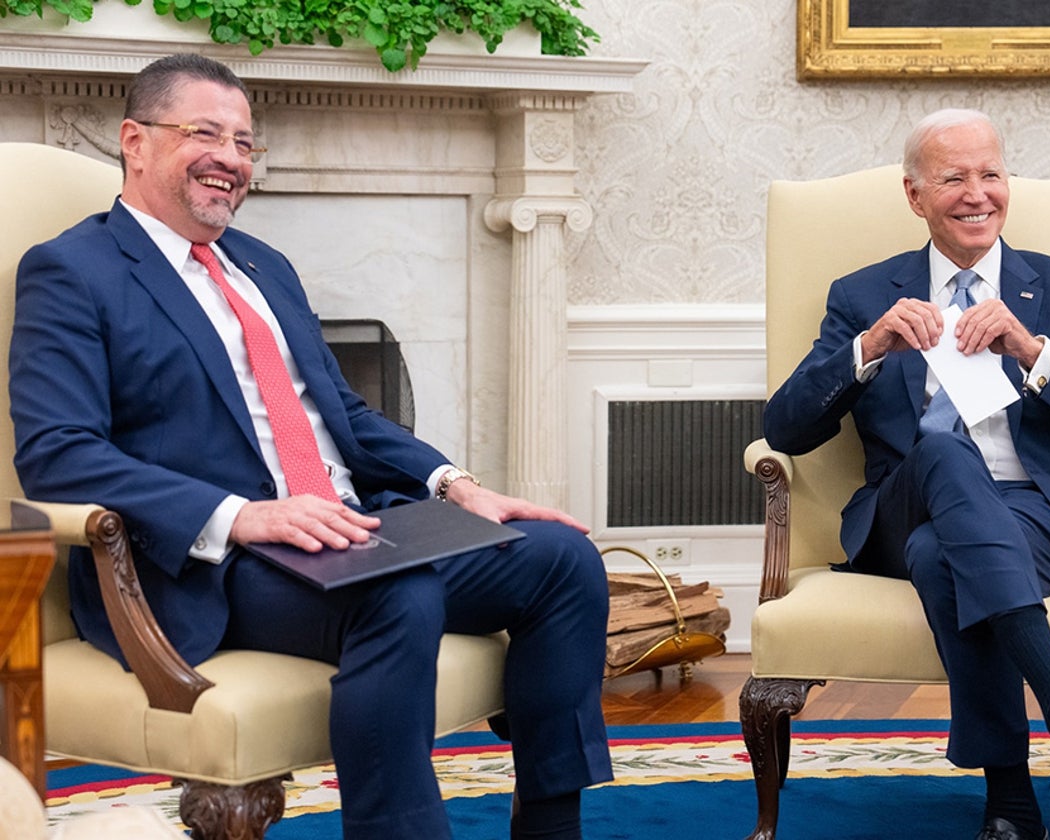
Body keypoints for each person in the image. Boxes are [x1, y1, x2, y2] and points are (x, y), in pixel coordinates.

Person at [9, 53, 612, 840]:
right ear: (136, 141)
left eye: (246, 142)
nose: (231, 158)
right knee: (398, 593)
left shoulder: (265, 266)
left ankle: (550, 827)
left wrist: (453, 483)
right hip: (216, 564)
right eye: (205, 133)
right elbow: (57, 452)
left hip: (348, 530)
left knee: (562, 559)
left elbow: (344, 415)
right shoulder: (71, 270)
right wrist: (242, 516)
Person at [762, 108, 1050, 840]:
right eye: (954, 179)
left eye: (991, 175)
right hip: (902, 507)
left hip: (1031, 515)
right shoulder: (863, 294)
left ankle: (1011, 803)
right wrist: (868, 347)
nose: (978, 194)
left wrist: (1034, 352)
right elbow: (787, 426)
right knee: (939, 451)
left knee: (943, 556)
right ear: (915, 196)